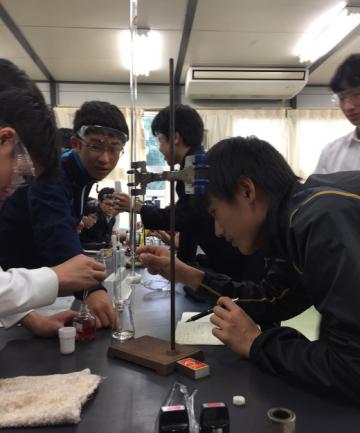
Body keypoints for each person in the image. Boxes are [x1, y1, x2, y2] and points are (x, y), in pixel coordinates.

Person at [138, 135, 360, 402]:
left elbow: (351, 368)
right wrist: (188, 274)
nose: (218, 232)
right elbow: (273, 297)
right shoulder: (293, 222)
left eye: (215, 214)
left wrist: (256, 343)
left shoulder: (323, 220)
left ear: (246, 191)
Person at [0, 99, 129, 328]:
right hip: (16, 275)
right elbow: (53, 229)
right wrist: (90, 288)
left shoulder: (82, 175)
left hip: (16, 291)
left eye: (114, 148)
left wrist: (29, 319)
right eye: (96, 146)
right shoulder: (53, 172)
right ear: (75, 143)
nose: (105, 158)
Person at [115, 104, 266, 283]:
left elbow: (185, 217)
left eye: (160, 140)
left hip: (240, 267)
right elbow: (190, 223)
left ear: (175, 138)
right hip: (230, 262)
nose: (160, 148)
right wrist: (183, 263)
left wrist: (139, 208)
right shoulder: (193, 164)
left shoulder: (197, 167)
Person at [314, 54, 360, 174]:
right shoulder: (332, 152)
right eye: (342, 98)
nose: (348, 106)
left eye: (356, 94)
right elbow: (320, 192)